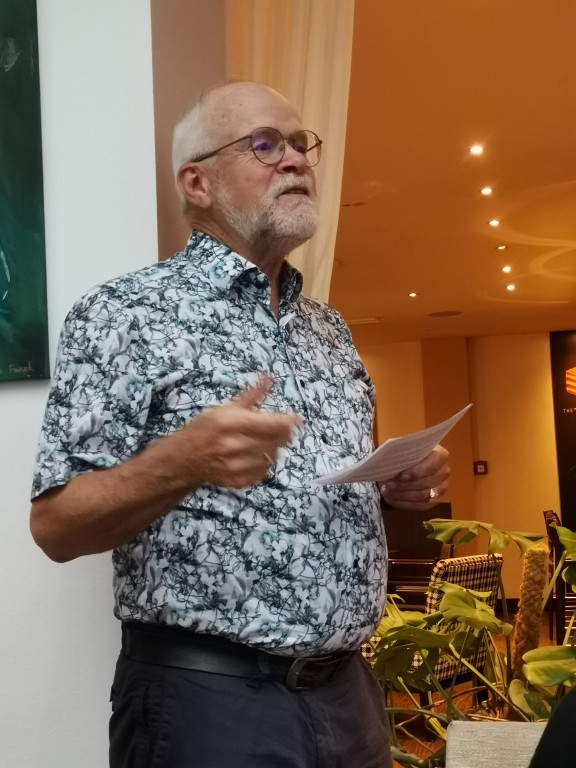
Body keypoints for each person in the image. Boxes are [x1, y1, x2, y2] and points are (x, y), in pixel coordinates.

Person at [30, 81, 450, 768]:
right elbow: (55, 526)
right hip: (209, 709)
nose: (295, 159)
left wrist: (394, 484)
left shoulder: (328, 329)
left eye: (300, 143)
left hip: (350, 698)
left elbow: (313, 492)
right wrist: (181, 461)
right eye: (264, 144)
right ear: (197, 183)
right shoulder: (125, 314)